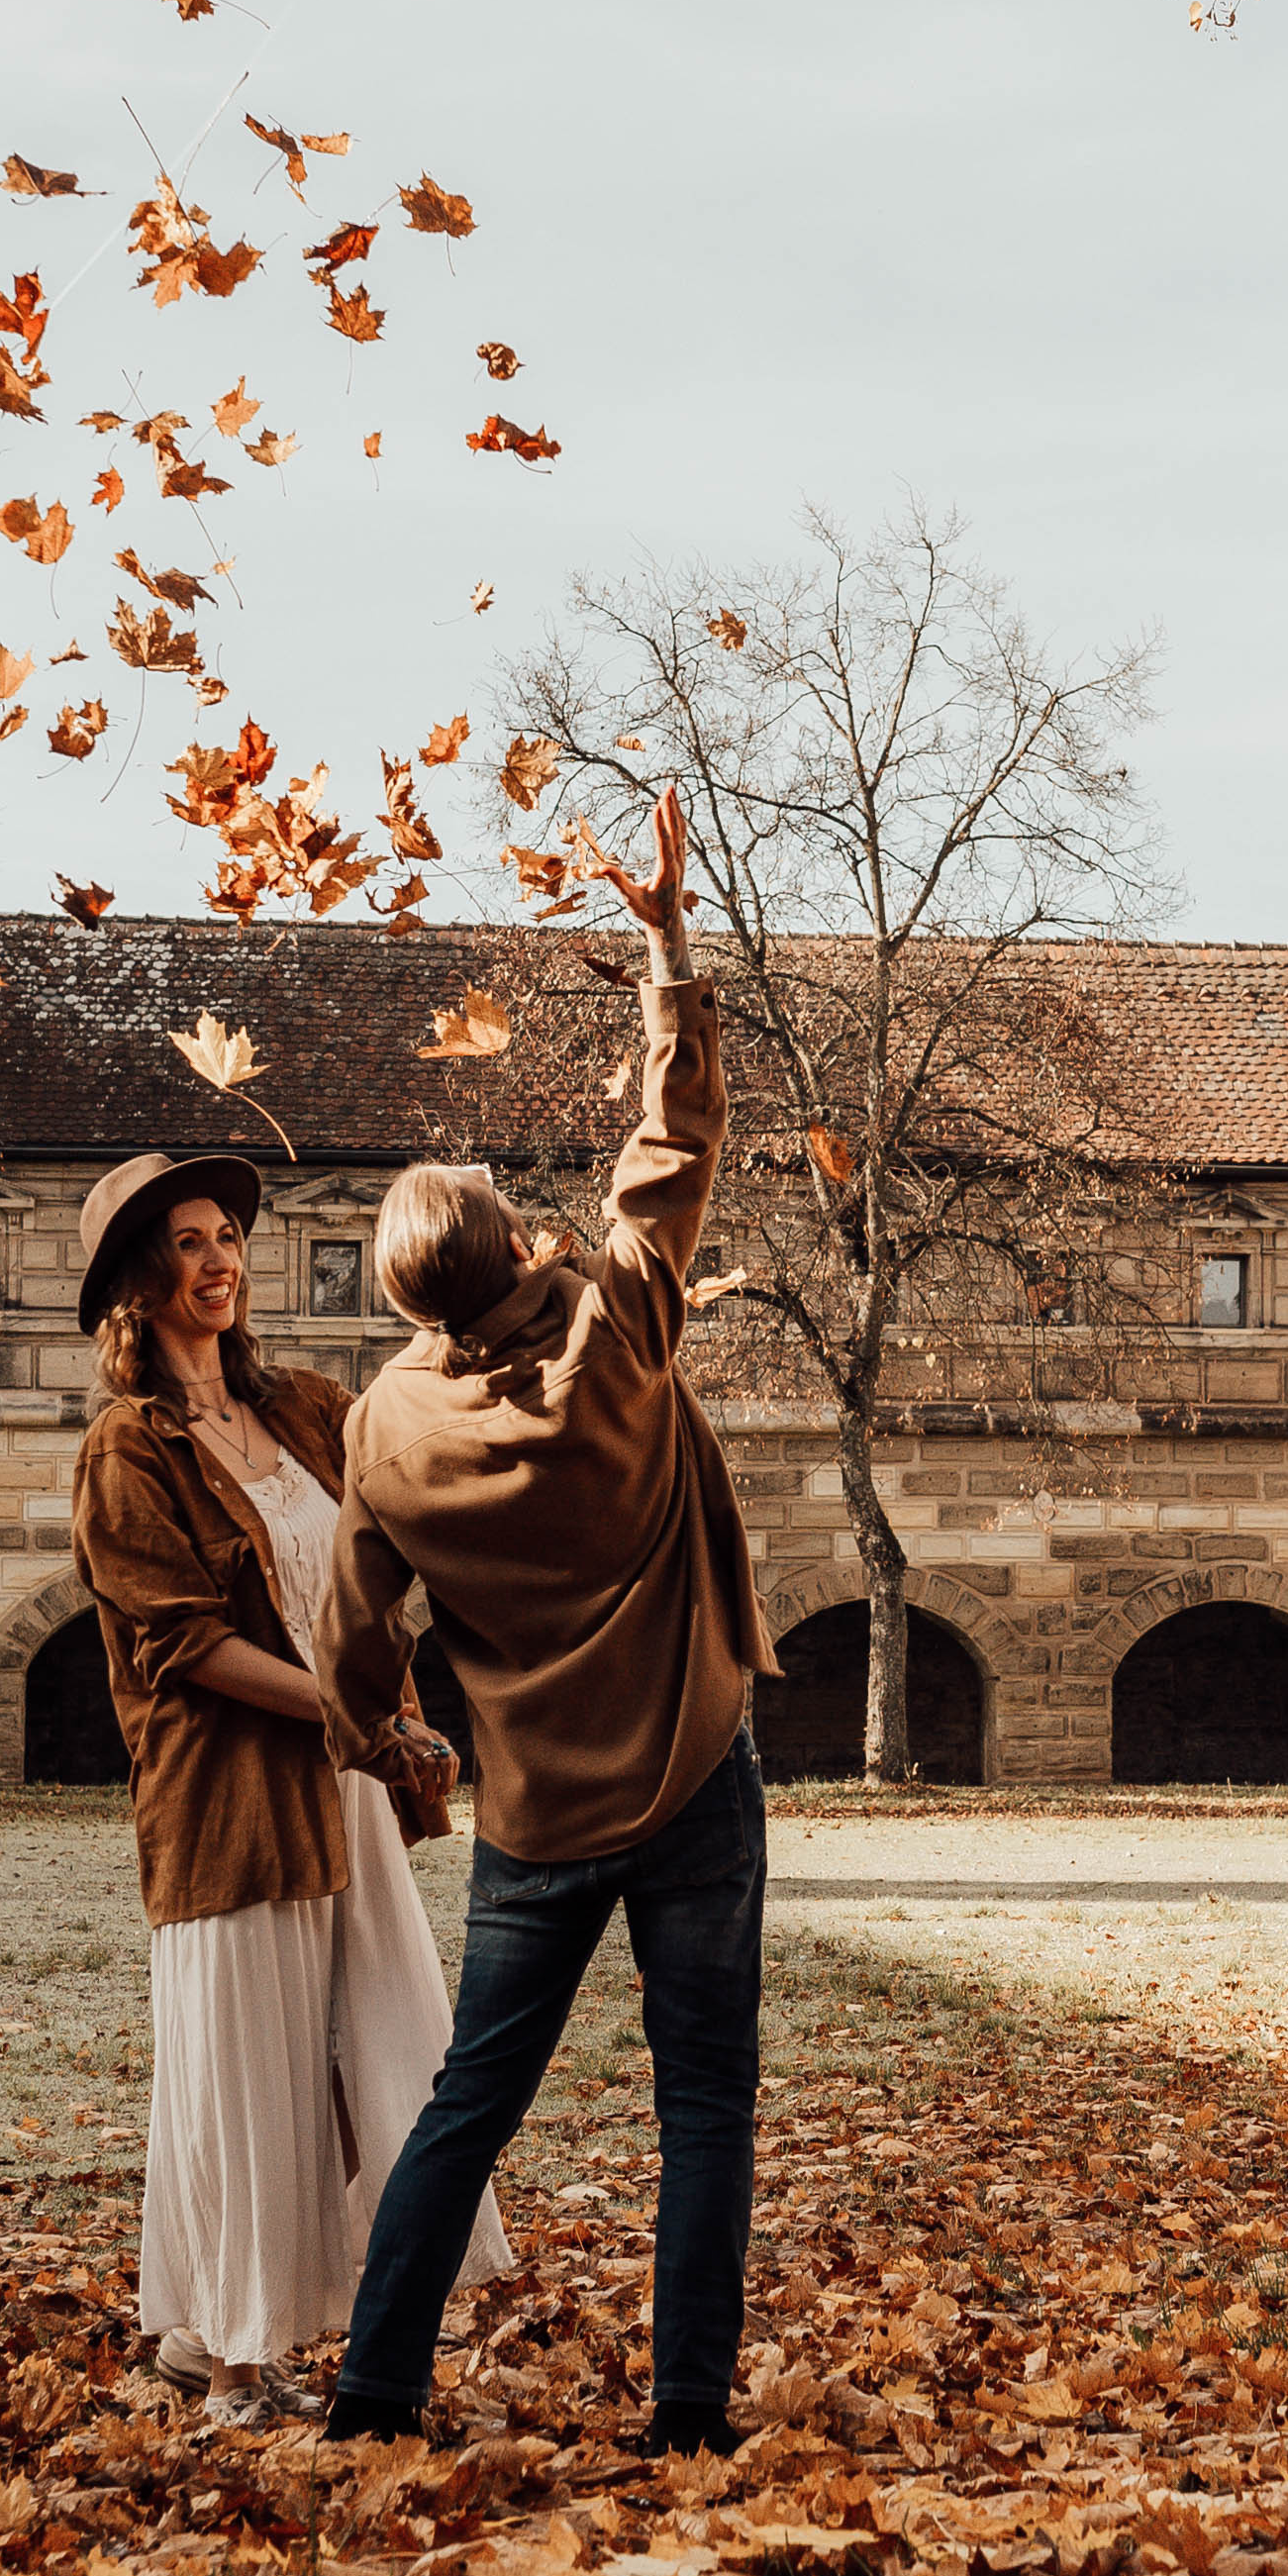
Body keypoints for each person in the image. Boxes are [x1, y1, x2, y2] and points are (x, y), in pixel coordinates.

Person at [311, 783, 780, 2454]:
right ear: (514, 1240)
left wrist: (398, 1750)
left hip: (535, 1815)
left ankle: (375, 2392)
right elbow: (673, 1149)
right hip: (695, 1780)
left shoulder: (387, 1429)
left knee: (470, 2105)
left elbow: (352, 1635)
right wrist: (662, 941)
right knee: (703, 2103)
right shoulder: (617, 1341)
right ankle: (689, 2417)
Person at [69, 1146, 510, 2429]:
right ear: (141, 1283)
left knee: (389, 2048)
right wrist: (350, 1712)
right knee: (242, 2062)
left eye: (225, 1237)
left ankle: (358, 2326)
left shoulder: (312, 1409)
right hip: (231, 1800)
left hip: (352, 1789)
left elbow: (419, 1484)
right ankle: (239, 2359)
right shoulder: (126, 1450)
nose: (219, 1260)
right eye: (188, 1244)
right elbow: (185, 1645)